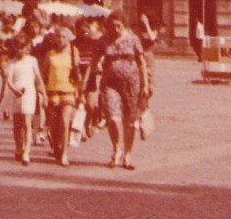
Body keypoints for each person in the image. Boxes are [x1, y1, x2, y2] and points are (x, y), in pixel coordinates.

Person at [94, 11, 151, 170]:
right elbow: (94, 61)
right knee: (113, 118)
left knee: (130, 122)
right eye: (112, 26)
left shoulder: (133, 39)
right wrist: (89, 80)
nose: (115, 29)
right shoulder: (103, 40)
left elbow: (141, 63)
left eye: (118, 26)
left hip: (132, 85)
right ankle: (116, 149)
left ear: (124, 25)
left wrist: (145, 85)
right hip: (110, 84)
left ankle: (127, 154)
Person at [40, 29, 80, 166]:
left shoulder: (73, 53)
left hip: (68, 90)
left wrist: (79, 91)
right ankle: (57, 147)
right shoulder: (50, 54)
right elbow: (43, 74)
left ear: (69, 39)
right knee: (53, 124)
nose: (61, 39)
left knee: (64, 121)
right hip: (52, 91)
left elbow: (77, 73)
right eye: (59, 36)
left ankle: (64, 153)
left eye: (64, 37)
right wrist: (42, 93)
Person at [4, 37, 45, 165]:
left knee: (27, 123)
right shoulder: (11, 63)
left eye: (24, 47)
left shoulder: (32, 61)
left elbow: (38, 78)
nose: (22, 51)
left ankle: (27, 150)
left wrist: (43, 93)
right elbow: (8, 81)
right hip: (16, 94)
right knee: (17, 125)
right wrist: (14, 90)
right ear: (15, 49)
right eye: (19, 48)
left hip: (29, 93)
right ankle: (18, 147)